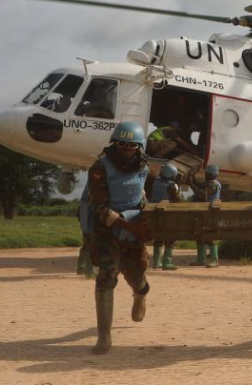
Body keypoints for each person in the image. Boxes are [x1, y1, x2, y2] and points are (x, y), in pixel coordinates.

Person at [86, 121, 151, 355]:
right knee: (107, 275)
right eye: (121, 144)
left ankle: (140, 294)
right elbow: (100, 208)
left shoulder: (144, 167)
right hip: (107, 230)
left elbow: (142, 197)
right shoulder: (99, 167)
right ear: (114, 143)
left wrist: (142, 223)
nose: (126, 149)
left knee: (136, 275)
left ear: (139, 147)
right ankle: (104, 336)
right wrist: (128, 226)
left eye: (131, 145)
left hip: (133, 227)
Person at [149, 162, 182, 271]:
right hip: (167, 214)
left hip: (154, 213)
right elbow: (177, 200)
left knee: (158, 237)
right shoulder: (172, 186)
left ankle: (156, 263)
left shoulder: (154, 181)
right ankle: (167, 262)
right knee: (170, 238)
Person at [189, 164, 222, 267]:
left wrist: (192, 185)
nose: (205, 175)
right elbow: (198, 184)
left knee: (210, 236)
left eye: (207, 174)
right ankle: (200, 259)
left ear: (211, 174)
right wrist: (192, 176)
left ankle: (214, 260)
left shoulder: (214, 185)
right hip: (204, 212)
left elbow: (203, 194)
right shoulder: (209, 183)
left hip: (210, 212)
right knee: (199, 235)